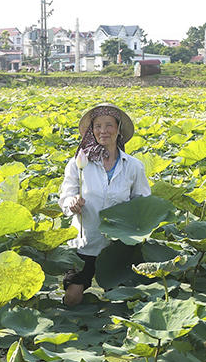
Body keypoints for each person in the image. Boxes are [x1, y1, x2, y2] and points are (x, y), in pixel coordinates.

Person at [58, 103, 151, 306]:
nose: (103, 131)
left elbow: (143, 202)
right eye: (98, 126)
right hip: (85, 241)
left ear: (119, 129)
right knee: (72, 297)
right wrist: (71, 202)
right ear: (91, 130)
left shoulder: (133, 166)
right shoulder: (78, 164)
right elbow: (66, 196)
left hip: (118, 246)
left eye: (109, 125)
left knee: (118, 300)